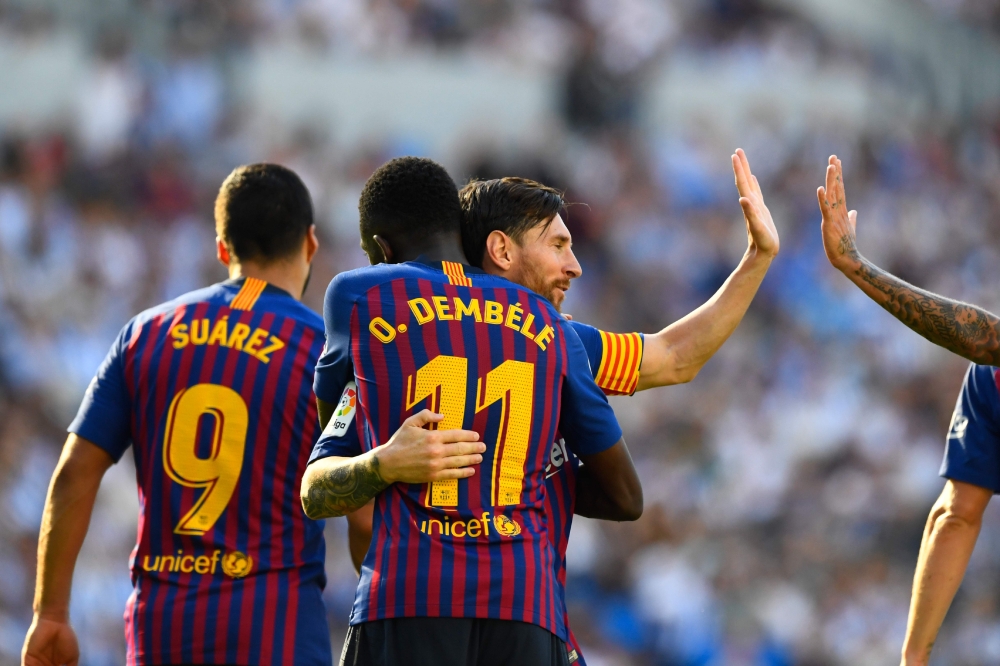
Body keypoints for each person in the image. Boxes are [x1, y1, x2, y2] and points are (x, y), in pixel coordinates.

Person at [343, 148, 779, 664]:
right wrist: (757, 259)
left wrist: (756, 259)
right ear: (501, 250)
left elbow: (362, 522)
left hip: (419, 613)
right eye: (558, 244)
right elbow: (674, 360)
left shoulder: (392, 338)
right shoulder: (558, 339)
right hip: (523, 621)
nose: (574, 265)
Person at [300, 156, 641, 666]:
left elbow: (320, 487)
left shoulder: (360, 295)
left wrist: (386, 464)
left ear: (384, 251)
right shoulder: (549, 323)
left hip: (409, 598)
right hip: (528, 609)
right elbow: (626, 496)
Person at [22, 164, 335, 666]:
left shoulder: (144, 333)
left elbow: (74, 474)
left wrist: (51, 614)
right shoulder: (322, 348)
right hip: (276, 630)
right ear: (310, 243)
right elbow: (362, 508)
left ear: (220, 248)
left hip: (163, 628)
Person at [817, 155, 1000, 666]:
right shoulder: (991, 378)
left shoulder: (992, 366)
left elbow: (983, 338)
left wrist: (858, 267)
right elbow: (956, 516)